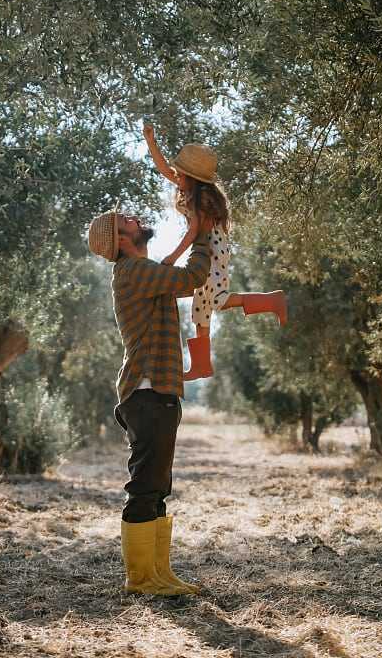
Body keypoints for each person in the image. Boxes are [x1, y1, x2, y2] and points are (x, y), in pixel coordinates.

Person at [87, 202, 208, 596]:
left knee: (157, 487)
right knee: (145, 487)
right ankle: (140, 581)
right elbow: (192, 278)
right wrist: (205, 235)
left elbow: (171, 272)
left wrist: (189, 237)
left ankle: (159, 575)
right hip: (148, 392)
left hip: (157, 392)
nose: (137, 220)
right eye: (128, 221)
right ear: (121, 241)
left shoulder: (140, 271)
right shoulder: (134, 271)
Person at [143, 122, 287, 380]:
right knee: (205, 305)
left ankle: (272, 301)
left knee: (213, 300)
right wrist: (151, 142)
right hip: (210, 250)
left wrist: (172, 258)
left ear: (192, 178)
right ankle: (202, 365)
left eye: (181, 172)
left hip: (212, 251)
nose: (176, 175)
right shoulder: (191, 190)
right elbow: (164, 169)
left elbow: (193, 231)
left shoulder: (200, 200)